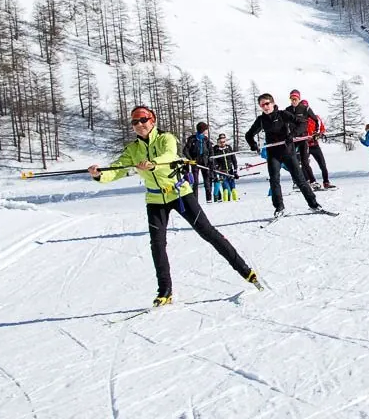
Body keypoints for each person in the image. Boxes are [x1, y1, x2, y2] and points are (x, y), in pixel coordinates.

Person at [90, 105, 262, 306]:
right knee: (157, 245)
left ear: (152, 120)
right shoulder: (133, 150)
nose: (139, 125)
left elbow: (169, 156)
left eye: (143, 120)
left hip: (180, 193)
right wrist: (99, 174)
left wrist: (153, 163)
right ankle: (165, 291)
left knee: (207, 232)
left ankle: (244, 270)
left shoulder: (166, 139)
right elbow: (118, 169)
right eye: (135, 122)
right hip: (155, 200)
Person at [245, 92, 326, 218]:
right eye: (262, 105)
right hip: (273, 154)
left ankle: (313, 204)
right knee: (274, 180)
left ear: (272, 103)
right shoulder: (261, 120)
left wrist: (291, 135)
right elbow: (249, 135)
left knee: (300, 179)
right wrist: (253, 145)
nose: (265, 107)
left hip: (288, 151)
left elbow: (302, 123)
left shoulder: (282, 114)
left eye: (267, 103)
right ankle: (279, 207)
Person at [293, 95, 335, 190]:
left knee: (322, 164)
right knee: (304, 164)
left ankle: (326, 182)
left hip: (314, 145)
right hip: (304, 144)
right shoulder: (298, 119)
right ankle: (309, 182)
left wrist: (318, 134)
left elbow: (322, 129)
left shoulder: (315, 118)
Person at [183, 122, 214, 193]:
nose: (206, 131)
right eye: (205, 129)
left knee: (207, 181)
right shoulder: (192, 139)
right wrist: (191, 160)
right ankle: (195, 200)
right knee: (195, 183)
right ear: (202, 130)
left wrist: (210, 158)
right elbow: (185, 150)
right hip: (195, 163)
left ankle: (209, 199)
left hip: (205, 162)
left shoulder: (205, 139)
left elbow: (211, 150)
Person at [209, 133, 239, 202]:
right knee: (225, 189)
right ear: (218, 142)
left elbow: (234, 159)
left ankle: (236, 202)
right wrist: (217, 169)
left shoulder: (228, 148)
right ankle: (225, 203)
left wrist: (235, 170)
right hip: (222, 172)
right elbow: (214, 161)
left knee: (233, 189)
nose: (222, 143)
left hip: (230, 170)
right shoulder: (216, 150)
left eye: (224, 141)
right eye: (221, 142)